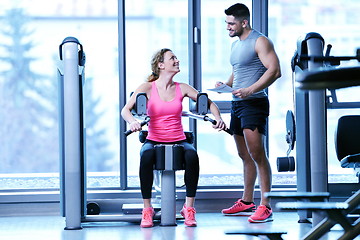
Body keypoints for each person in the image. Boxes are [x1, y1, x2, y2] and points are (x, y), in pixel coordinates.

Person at [121, 48, 226, 228]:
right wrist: (132, 122)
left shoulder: (182, 88)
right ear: (160, 65)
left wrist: (219, 118)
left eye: (176, 58)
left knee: (192, 156)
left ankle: (189, 208)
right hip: (154, 139)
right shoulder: (147, 88)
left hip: (178, 138)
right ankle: (147, 209)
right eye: (172, 58)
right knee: (145, 157)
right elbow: (125, 110)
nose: (177, 60)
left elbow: (209, 103)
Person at [218, 3, 281, 223]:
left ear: (244, 22)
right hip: (238, 103)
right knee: (244, 155)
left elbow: (275, 70)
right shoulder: (236, 45)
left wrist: (250, 89)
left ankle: (266, 205)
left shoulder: (260, 41)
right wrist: (225, 85)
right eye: (226, 23)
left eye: (231, 23)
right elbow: (239, 71)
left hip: (254, 103)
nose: (227, 27)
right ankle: (247, 202)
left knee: (257, 155)